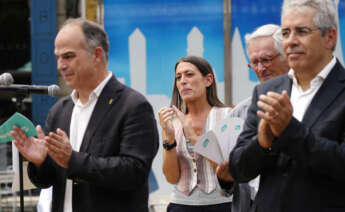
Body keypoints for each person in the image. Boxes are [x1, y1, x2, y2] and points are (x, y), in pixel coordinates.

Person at [11, 18, 159, 212]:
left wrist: (72, 160)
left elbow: (134, 172)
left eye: (68, 56)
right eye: (58, 57)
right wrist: (40, 162)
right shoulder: (59, 111)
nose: (60, 66)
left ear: (97, 54)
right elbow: (49, 180)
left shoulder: (133, 106)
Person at [229, 0, 345, 211]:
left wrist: (290, 130)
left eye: (301, 31)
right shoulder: (266, 91)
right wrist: (263, 142)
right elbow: (238, 168)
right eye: (285, 33)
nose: (291, 41)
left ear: (330, 37)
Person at [217, 24, 290, 212]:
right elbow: (230, 188)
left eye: (266, 60)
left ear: (288, 58)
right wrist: (225, 178)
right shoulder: (239, 113)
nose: (260, 68)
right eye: (254, 62)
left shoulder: (305, 104)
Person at [158, 55, 233, 212]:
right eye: (178, 77)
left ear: (208, 80)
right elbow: (171, 177)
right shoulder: (172, 122)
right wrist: (169, 139)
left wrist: (193, 136)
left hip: (223, 204)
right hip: (181, 205)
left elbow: (229, 170)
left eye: (189, 74)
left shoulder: (228, 115)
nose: (183, 81)